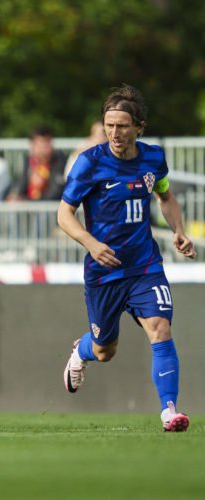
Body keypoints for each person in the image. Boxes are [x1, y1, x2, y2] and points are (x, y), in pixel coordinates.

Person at [58, 84, 196, 432]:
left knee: (161, 328)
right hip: (103, 271)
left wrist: (178, 230)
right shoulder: (90, 162)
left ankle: (169, 411)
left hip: (145, 265)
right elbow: (64, 214)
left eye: (122, 125)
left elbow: (165, 197)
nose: (114, 133)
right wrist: (91, 244)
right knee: (106, 350)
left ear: (139, 126)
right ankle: (82, 351)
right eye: (109, 125)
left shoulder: (153, 158)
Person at [7, 126, 66, 201]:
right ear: (32, 146)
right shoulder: (27, 162)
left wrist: (26, 201)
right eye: (40, 145)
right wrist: (14, 195)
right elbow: (19, 185)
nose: (44, 149)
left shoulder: (60, 162)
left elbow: (56, 193)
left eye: (47, 144)